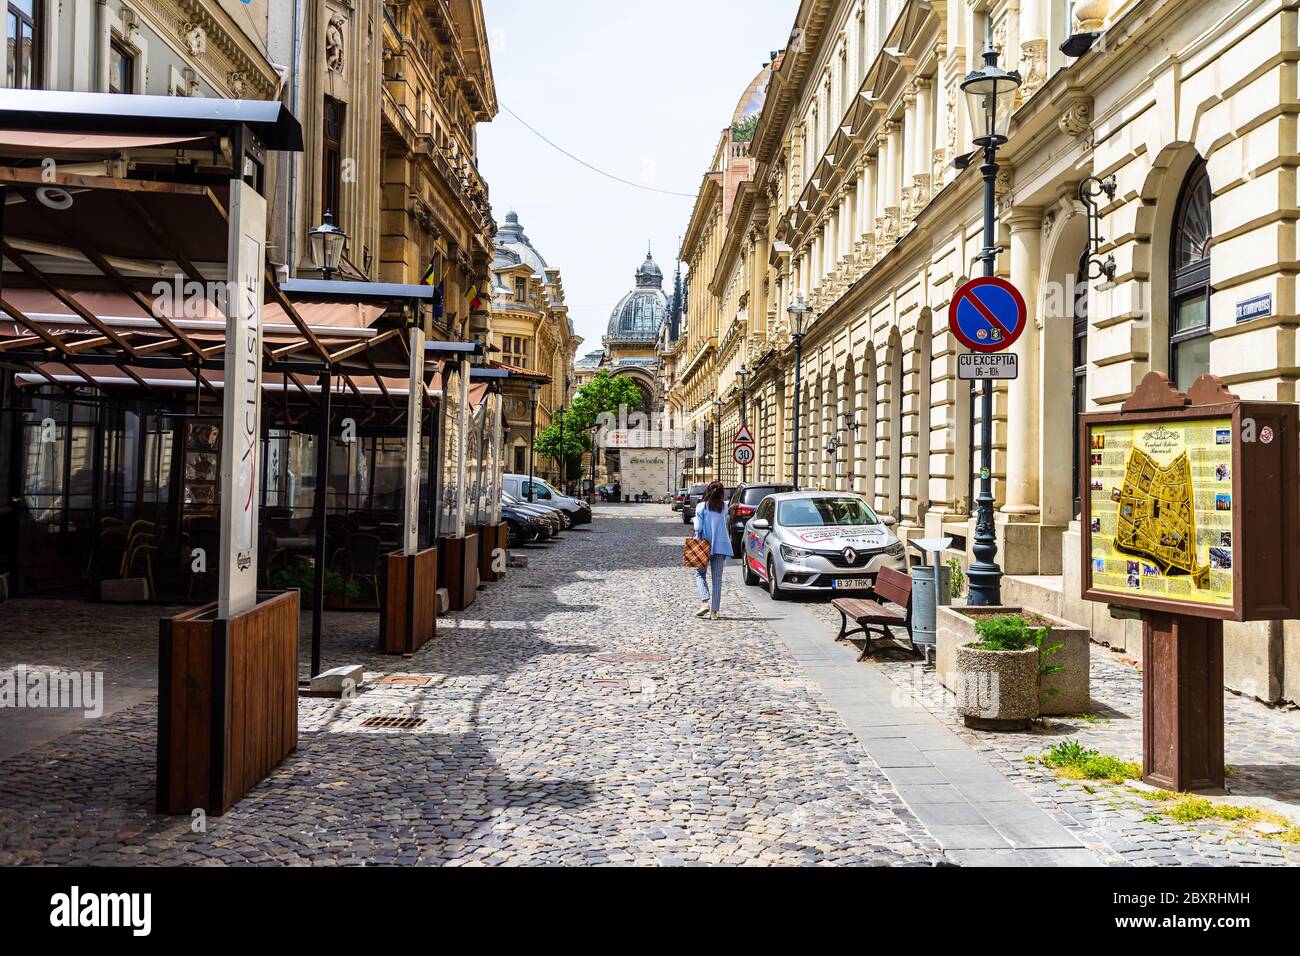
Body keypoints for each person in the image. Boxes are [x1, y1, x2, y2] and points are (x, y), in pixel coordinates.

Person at [690, 480, 733, 620]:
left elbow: (698, 528)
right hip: (721, 546)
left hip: (704, 545)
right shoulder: (724, 507)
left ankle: (705, 602)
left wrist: (694, 521)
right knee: (717, 578)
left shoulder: (701, 507)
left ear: (708, 491)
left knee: (699, 574)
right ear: (721, 493)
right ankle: (715, 611)